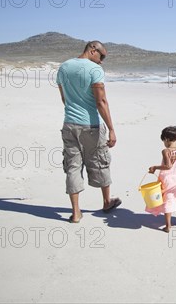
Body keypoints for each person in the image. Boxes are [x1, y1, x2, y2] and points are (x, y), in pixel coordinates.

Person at [56, 41, 120, 223]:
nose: (101, 62)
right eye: (102, 57)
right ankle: (107, 202)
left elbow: (64, 98)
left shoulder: (64, 67)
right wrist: (112, 129)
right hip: (91, 125)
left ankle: (76, 212)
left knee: (73, 166)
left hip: (69, 124)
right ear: (93, 50)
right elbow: (101, 102)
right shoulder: (94, 70)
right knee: (100, 161)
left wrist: (74, 112)